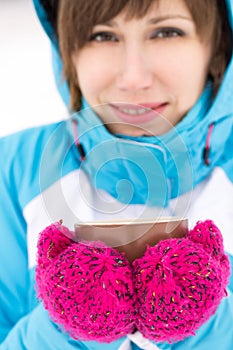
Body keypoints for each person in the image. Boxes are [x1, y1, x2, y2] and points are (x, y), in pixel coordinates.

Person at [0, 0, 233, 349]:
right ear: (68, 54)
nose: (133, 77)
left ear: (216, 48)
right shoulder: (12, 171)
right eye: (102, 36)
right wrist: (70, 329)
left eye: (166, 32)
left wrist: (209, 322)